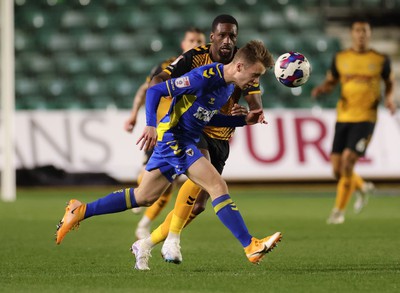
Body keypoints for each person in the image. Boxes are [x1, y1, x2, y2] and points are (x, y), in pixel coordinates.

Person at [55, 40, 282, 271]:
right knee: (216, 185)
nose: (256, 81)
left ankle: (79, 210)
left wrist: (242, 120)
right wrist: (150, 125)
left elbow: (205, 116)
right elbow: (155, 90)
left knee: (144, 196)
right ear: (240, 67)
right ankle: (250, 245)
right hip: (176, 137)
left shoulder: (227, 86)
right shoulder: (203, 77)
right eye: (256, 74)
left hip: (184, 139)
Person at [135, 14, 267, 268]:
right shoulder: (196, 57)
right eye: (224, 35)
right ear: (213, 37)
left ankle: (146, 243)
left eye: (233, 36)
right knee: (204, 181)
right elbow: (159, 81)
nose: (228, 40)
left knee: (197, 206)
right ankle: (173, 239)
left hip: (223, 133)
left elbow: (254, 100)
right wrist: (162, 98)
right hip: (198, 129)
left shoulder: (246, 62)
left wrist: (251, 113)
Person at [123, 27, 206, 239]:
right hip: (161, 130)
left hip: (187, 130)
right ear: (183, 44)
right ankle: (142, 187)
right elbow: (146, 89)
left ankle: (144, 224)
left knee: (169, 185)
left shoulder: (208, 70)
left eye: (199, 40)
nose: (195, 43)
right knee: (159, 182)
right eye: (191, 40)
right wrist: (134, 114)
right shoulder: (168, 66)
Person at [311, 18, 396, 224]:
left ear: (370, 34)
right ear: (352, 34)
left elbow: (389, 82)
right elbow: (332, 80)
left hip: (366, 118)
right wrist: (323, 88)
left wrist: (390, 98)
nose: (361, 35)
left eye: (364, 31)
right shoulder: (341, 58)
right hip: (344, 116)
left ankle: (338, 212)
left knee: (348, 161)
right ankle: (361, 187)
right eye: (357, 31)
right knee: (337, 170)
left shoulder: (380, 59)